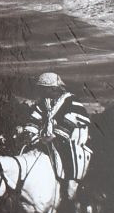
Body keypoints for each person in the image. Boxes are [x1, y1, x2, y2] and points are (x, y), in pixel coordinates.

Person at [18, 71, 93, 200]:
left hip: (68, 140)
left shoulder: (72, 101)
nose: (40, 91)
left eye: (43, 89)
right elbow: (35, 119)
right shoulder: (44, 102)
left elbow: (72, 120)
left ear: (53, 88)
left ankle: (70, 184)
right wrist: (31, 133)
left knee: (68, 156)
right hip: (46, 139)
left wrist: (56, 136)